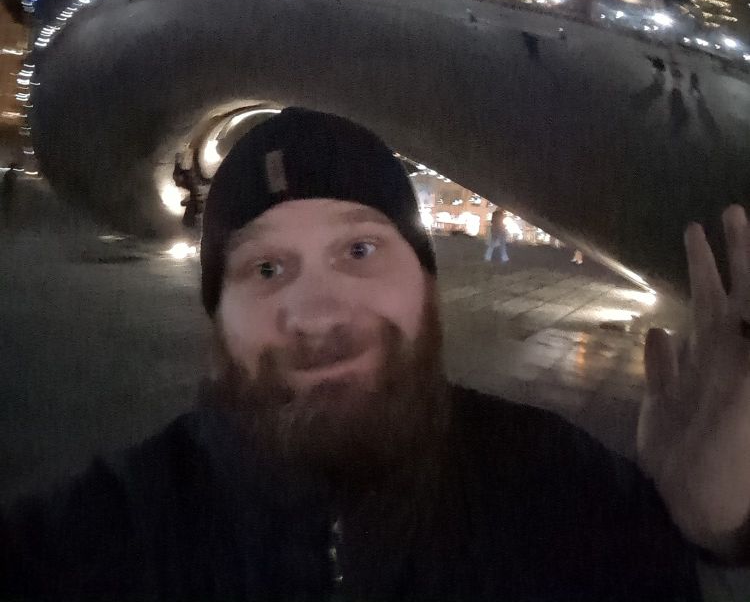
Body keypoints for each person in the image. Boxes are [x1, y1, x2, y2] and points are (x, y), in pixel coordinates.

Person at [3, 108, 750, 600]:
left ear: (425, 280)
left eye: (359, 249)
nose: (318, 313)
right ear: (214, 321)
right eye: (266, 269)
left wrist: (693, 530)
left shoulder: (572, 501)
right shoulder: (113, 534)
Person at [0, 162, 20, 227]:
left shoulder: (8, 173)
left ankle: (6, 218)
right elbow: (14, 183)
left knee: (6, 204)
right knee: (9, 204)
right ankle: (8, 220)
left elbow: (4, 181)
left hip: (6, 190)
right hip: (9, 190)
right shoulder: (13, 174)